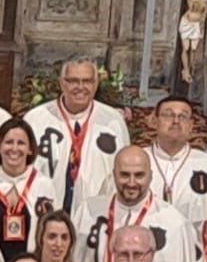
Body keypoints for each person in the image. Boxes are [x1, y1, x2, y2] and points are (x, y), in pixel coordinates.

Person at [75, 145, 197, 262]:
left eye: (139, 175)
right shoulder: (88, 212)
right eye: (124, 175)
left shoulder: (174, 223)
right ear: (114, 175)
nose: (131, 183)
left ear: (150, 176)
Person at [23, 56, 132, 211]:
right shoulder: (36, 119)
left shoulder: (113, 121)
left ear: (96, 84)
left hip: (96, 213)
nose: (80, 87)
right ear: (62, 83)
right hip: (44, 210)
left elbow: (125, 167)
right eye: (73, 81)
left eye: (87, 81)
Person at [0, 116, 61, 262]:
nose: (14, 148)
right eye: (9, 142)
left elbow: (54, 231)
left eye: (21, 143)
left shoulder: (43, 184)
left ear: (31, 149)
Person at [146, 95, 207, 221]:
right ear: (155, 121)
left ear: (191, 125)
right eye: (168, 115)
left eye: (183, 116)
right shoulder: (137, 160)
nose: (176, 121)